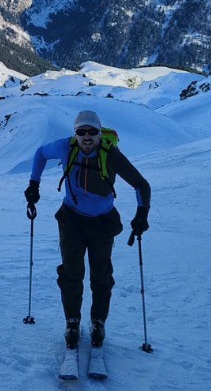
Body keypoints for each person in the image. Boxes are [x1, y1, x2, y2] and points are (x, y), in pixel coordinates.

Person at [24, 110, 151, 350]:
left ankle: (98, 322)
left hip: (102, 223)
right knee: (71, 273)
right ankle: (72, 322)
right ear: (76, 133)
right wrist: (33, 183)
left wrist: (142, 213)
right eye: (81, 132)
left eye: (92, 131)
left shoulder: (110, 154)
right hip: (71, 220)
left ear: (100, 133)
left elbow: (141, 184)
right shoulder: (66, 147)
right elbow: (40, 154)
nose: (87, 137)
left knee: (101, 276)